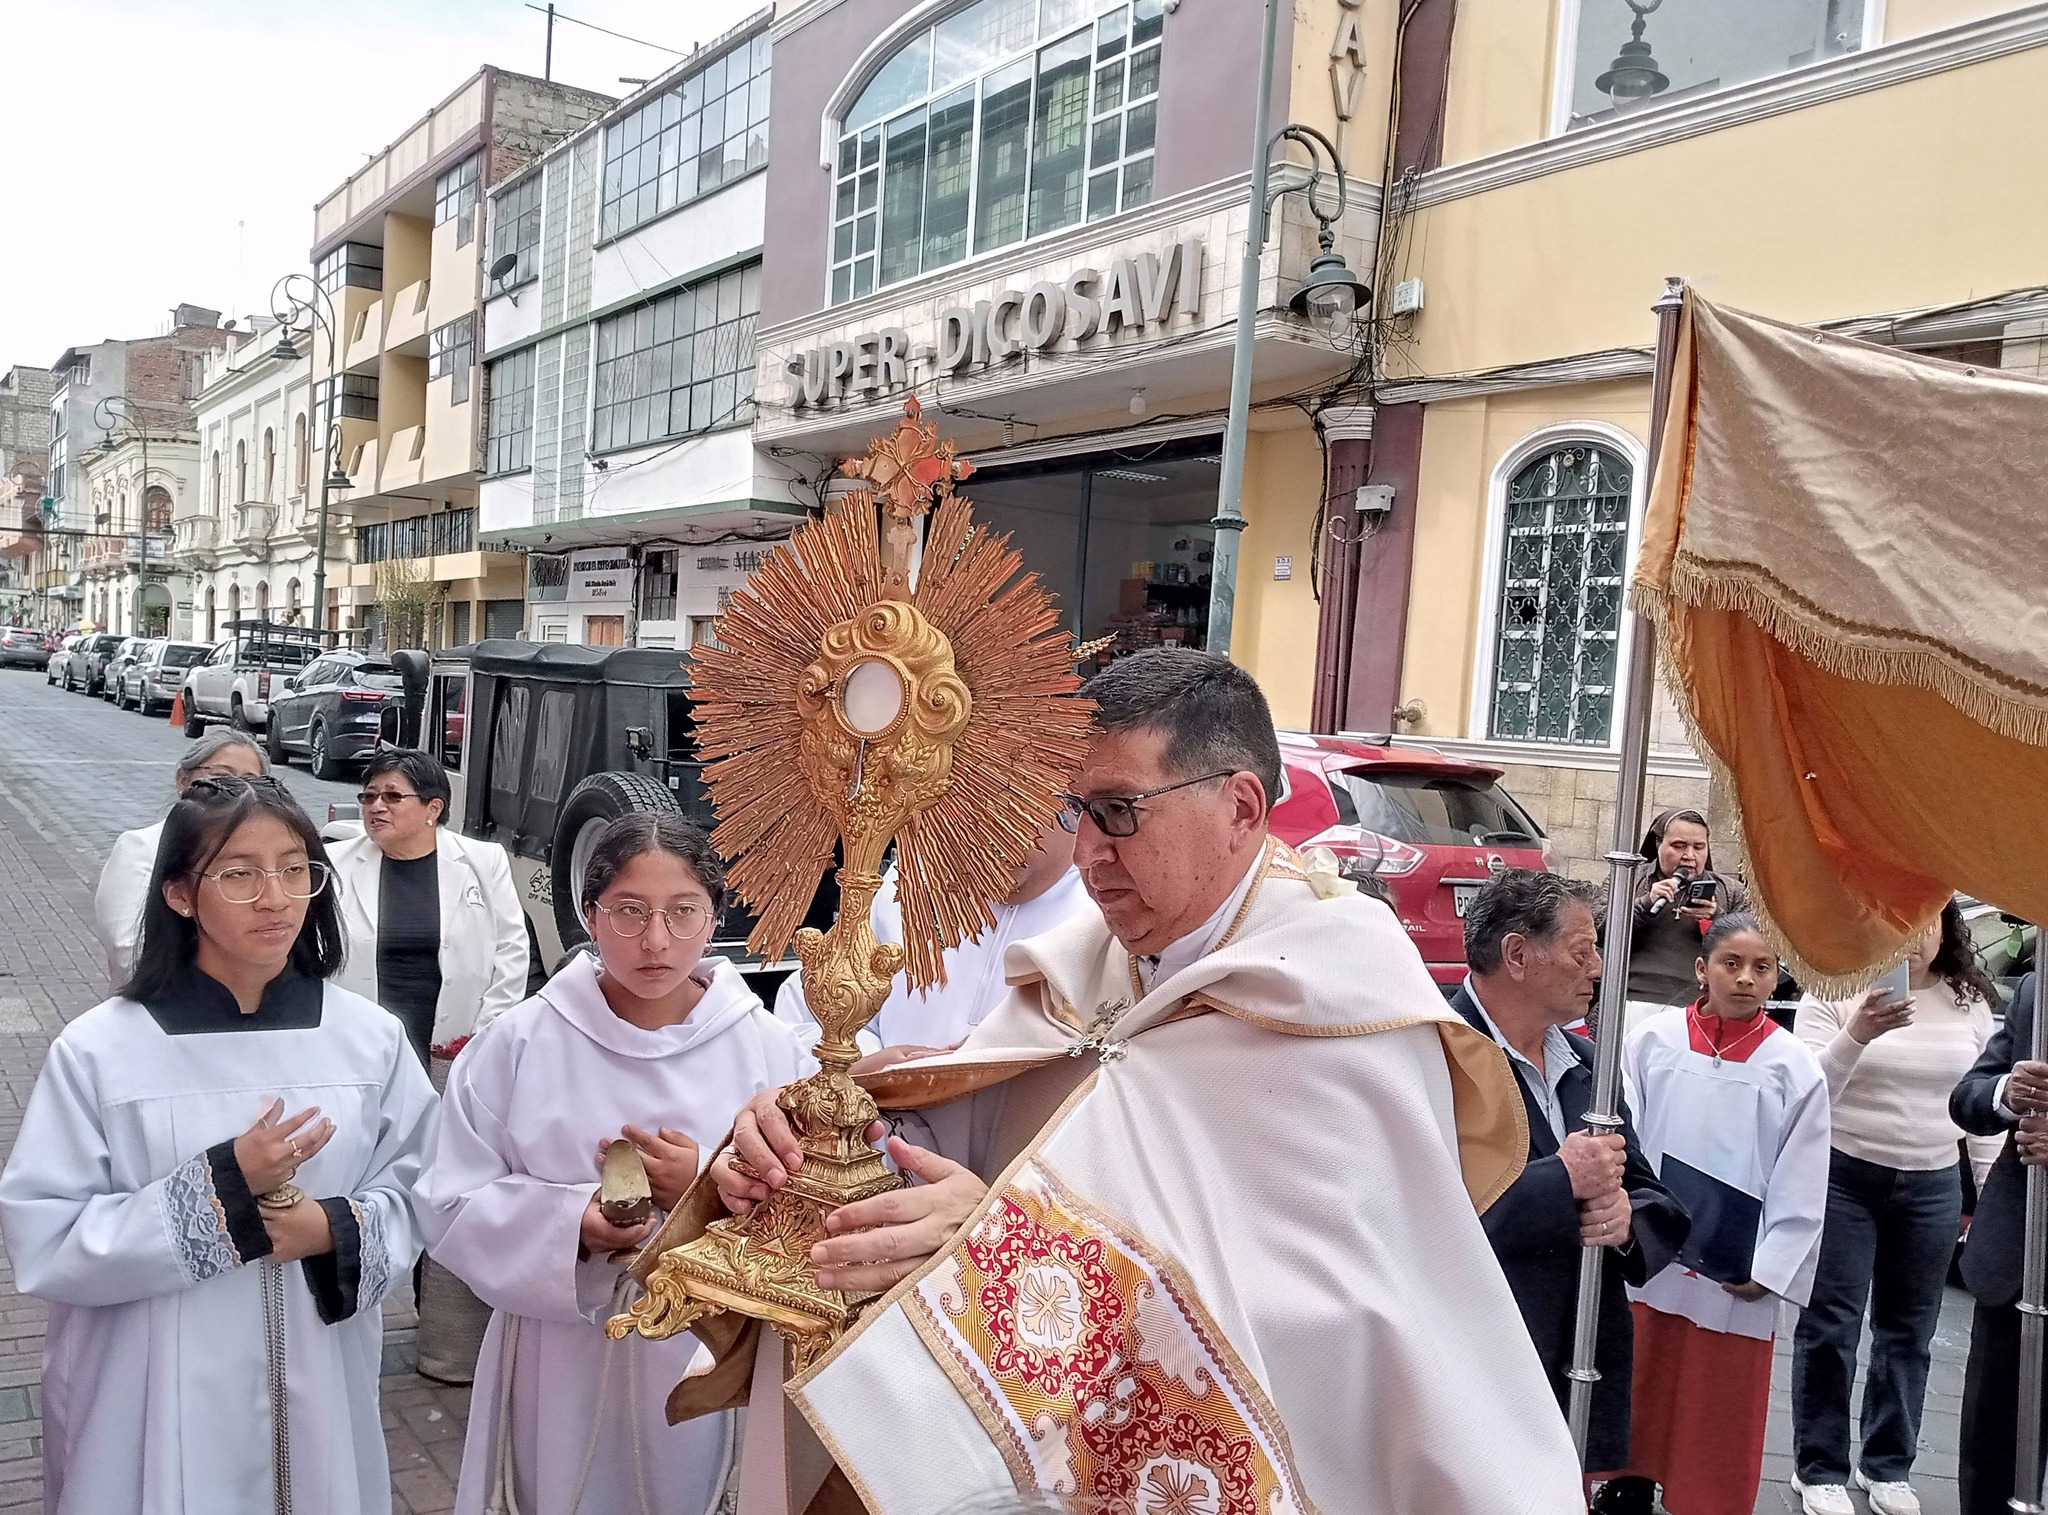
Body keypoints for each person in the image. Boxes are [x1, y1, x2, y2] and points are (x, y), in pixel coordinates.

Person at [703, 649, 1586, 1514]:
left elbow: (1329, 1324)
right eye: (1075, 809)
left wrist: (1000, 1244)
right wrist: (818, 1139)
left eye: (1118, 811)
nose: (1086, 851)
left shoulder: (1343, 998)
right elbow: (979, 1132)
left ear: (1241, 806)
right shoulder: (1087, 967)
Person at [0, 773, 437, 1514]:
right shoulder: (105, 1051)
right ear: (179, 893)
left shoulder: (368, 1040)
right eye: (239, 874)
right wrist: (222, 1187)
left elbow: (423, 1186)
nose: (275, 897)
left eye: (294, 869)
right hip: (150, 1389)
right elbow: (46, 1234)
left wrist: (331, 1228)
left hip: (319, 1380)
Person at [416, 812, 813, 1515]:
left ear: (715, 915)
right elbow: (449, 1198)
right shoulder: (520, 1042)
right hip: (562, 1351)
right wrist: (573, 1223)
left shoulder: (770, 1050)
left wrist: (701, 1187)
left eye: (683, 911)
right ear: (589, 913)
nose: (655, 940)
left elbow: (814, 1210)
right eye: (629, 910)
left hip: (708, 1350)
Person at [1448, 869, 1688, 1488]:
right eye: (1582, 952)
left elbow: (1648, 1190)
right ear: (1518, 955)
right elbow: (1429, 1216)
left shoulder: (1587, 1063)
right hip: (1476, 1357)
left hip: (1575, 1353)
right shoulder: (1438, 1054)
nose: (1599, 969)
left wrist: (1628, 1221)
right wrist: (1561, 1181)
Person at [1609, 913, 1831, 1515]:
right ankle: (1625, 1487)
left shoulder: (1794, 1066)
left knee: (1715, 1398)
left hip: (1736, 1264)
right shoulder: (1651, 1040)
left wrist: (1773, 1265)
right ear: (1701, 968)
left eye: (1762, 967)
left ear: (1778, 978)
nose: (1745, 979)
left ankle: (1703, 1501)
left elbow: (1803, 1173)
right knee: (1641, 1377)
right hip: (1651, 1250)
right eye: (1731, 964)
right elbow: (1627, 1135)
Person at [1790, 900, 2001, 1515]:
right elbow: (1806, 1093)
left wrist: (1988, 1193)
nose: (1914, 937)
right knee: (1831, 1325)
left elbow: (1981, 1104)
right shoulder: (1835, 988)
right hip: (1843, 1175)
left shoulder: (1969, 1001)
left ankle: (1887, 1465)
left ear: (1947, 928)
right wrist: (1858, 1034)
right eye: (1899, 922)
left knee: (1909, 1332)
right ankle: (1818, 1466)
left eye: (1927, 922)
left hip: (1933, 1181)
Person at [328, 748, 526, 1385]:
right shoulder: (337, 865)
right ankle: (343, 1332)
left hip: (451, 1056)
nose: (375, 807)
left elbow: (510, 949)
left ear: (434, 808)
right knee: (364, 1185)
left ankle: (446, 1342)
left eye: (392, 796)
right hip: (368, 1060)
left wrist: (483, 1040)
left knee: (446, 1189)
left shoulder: (481, 862)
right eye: (369, 796)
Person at [773, 819, 1089, 1054]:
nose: (994, 831)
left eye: (1018, 805)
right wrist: (867, 1063)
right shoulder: (911, 880)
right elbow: (808, 1017)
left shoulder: (1102, 911)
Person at [1951, 968, 2048, 1515]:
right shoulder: (2038, 989)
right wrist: (2007, 1093)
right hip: (2016, 1260)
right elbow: (1968, 1097)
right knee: (1991, 1457)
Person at [92, 728, 268, 983]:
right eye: (221, 777)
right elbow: (129, 952)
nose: (236, 790)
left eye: (251, 781)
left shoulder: (270, 856)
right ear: (183, 781)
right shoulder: (141, 848)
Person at [1627, 808, 1752, 1008]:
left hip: (1698, 1005)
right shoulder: (1628, 879)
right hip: (1628, 998)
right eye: (1679, 846)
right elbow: (1599, 927)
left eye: (1699, 847)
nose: (1689, 855)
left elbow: (1753, 944)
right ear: (1658, 844)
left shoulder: (1731, 891)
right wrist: (1645, 903)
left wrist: (1717, 919)